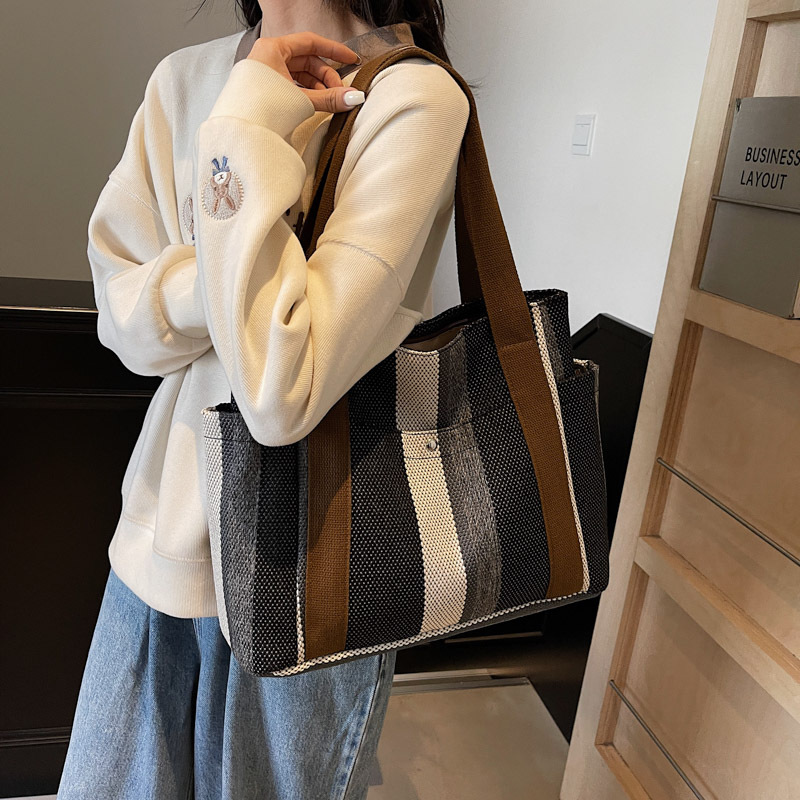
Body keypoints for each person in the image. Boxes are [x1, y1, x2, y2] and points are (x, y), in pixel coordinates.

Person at [57, 1, 469, 798]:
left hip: (311, 566)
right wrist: (227, 284)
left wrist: (245, 122)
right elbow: (123, 321)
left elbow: (281, 388)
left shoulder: (410, 97)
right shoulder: (184, 80)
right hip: (158, 545)